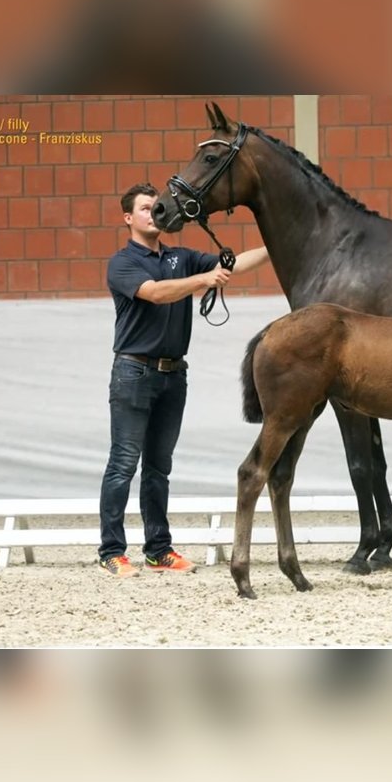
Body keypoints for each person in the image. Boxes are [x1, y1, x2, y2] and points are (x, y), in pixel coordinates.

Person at [98, 183, 270, 577]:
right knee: (124, 463)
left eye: (156, 207)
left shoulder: (181, 256)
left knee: (159, 467)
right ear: (128, 218)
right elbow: (155, 293)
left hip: (173, 375)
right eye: (144, 208)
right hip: (133, 372)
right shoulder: (123, 263)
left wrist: (276, 245)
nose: (152, 213)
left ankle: (158, 550)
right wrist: (201, 281)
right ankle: (111, 550)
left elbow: (232, 264)